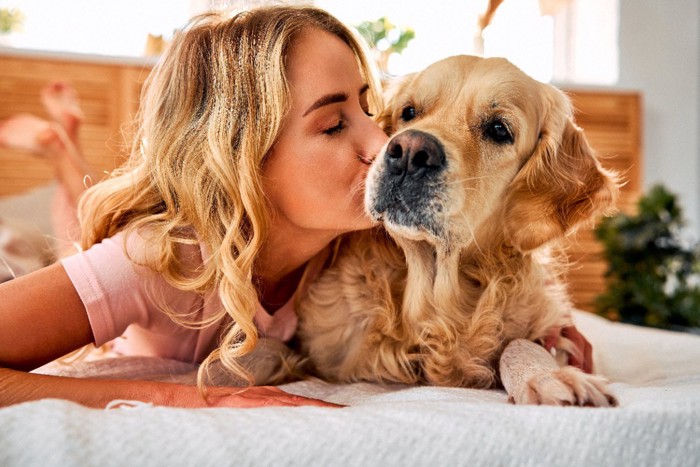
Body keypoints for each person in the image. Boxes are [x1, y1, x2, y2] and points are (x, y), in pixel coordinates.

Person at [0, 5, 388, 408]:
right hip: (145, 284)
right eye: (334, 125)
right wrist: (180, 397)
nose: (382, 143)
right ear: (241, 156)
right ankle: (61, 151)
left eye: (368, 110)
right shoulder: (157, 259)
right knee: (78, 238)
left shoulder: (360, 250)